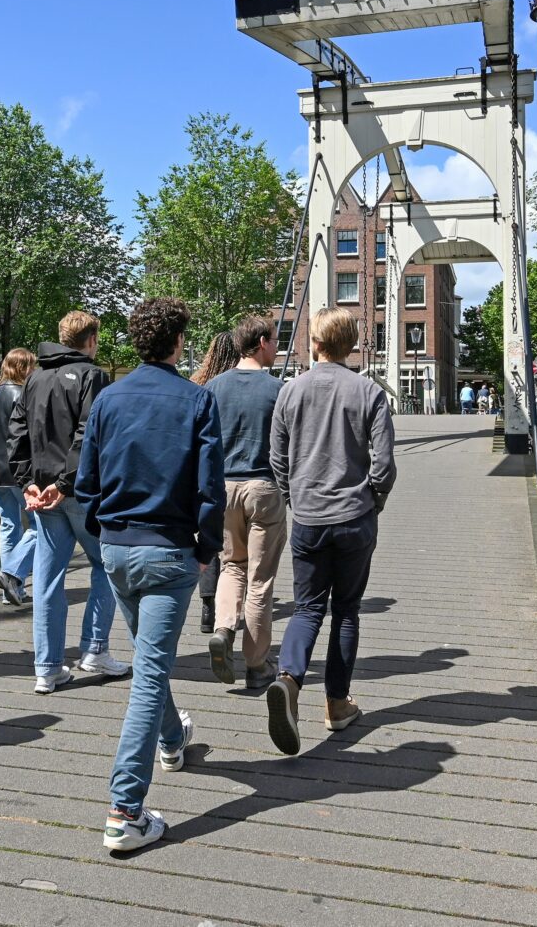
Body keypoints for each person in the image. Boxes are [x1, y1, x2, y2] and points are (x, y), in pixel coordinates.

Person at [74, 297, 223, 853]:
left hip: (116, 548)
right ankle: (124, 811)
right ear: (179, 341)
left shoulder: (108, 399)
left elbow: (86, 480)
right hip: (168, 552)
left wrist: (104, 532)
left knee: (148, 657)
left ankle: (172, 741)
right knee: (147, 673)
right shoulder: (197, 400)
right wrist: (206, 549)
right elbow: (211, 489)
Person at [265, 307, 397, 756]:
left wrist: (293, 496)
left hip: (308, 517)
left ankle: (288, 678)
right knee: (346, 611)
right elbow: (384, 464)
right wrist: (372, 501)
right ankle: (337, 705)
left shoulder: (290, 392)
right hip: (354, 517)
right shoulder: (370, 393)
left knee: (305, 609)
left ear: (314, 343)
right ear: (352, 345)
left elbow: (278, 457)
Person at [9, 310, 127, 693]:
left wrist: (27, 482)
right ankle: (94, 649)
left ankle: (47, 668)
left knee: (46, 579)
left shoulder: (34, 378)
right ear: (91, 340)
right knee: (105, 567)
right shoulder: (93, 376)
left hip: (43, 494)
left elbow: (16, 432)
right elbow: (89, 433)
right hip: (80, 492)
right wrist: (65, 482)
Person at [205, 315, 287, 692]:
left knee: (230, 566)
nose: (277, 346)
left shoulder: (213, 388)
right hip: (263, 488)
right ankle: (257, 664)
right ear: (260, 343)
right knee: (260, 579)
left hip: (223, 488)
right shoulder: (277, 390)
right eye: (274, 340)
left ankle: (223, 628)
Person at [188, 330, 239, 634]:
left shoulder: (198, 383)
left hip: (202, 472)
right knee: (229, 546)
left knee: (207, 538)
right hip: (234, 472)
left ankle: (207, 605)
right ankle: (228, 605)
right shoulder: (236, 384)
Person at [0, 348, 36, 606]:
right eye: (32, 367)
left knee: (8, 527)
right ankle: (12, 574)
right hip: (18, 471)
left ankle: (11, 591)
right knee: (39, 526)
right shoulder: (23, 395)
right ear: (23, 368)